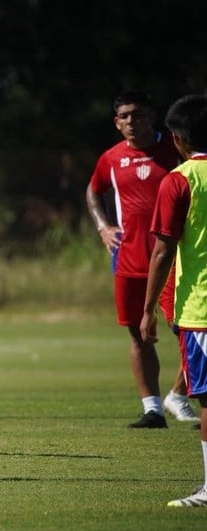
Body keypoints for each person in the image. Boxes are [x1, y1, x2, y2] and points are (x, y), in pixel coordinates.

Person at [85, 90, 197, 428]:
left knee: (186, 331)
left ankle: (179, 394)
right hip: (129, 259)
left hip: (172, 258)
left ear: (151, 116)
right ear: (117, 123)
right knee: (138, 334)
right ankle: (152, 409)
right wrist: (103, 226)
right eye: (124, 116)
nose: (131, 121)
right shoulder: (111, 158)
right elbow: (94, 190)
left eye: (137, 114)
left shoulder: (175, 151)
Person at [140, 93, 207, 506]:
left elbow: (163, 250)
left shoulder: (179, 180)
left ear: (178, 139)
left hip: (202, 309)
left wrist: (147, 309)